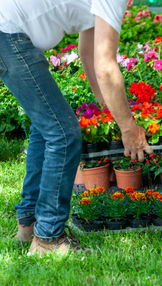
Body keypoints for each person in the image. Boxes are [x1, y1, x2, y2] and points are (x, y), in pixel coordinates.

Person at [0, 0, 152, 255]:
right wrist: (128, 128)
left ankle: (30, 224)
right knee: (63, 134)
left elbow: (89, 51)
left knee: (45, 127)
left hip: (8, 32)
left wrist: (105, 105)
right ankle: (48, 238)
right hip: (9, 35)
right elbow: (105, 66)